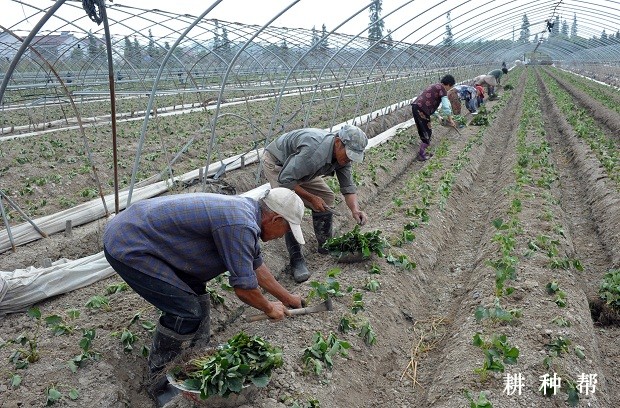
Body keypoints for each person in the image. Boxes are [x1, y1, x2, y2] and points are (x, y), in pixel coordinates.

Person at [102, 188, 305, 403]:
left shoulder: (246, 215)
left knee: (198, 302)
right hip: (129, 243)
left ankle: (196, 360)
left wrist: (287, 298)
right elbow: (244, 289)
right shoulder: (240, 225)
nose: (282, 236)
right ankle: (159, 383)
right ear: (276, 218)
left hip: (150, 238)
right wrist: (268, 308)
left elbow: (256, 267)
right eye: (286, 230)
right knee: (186, 312)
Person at [262, 125, 369, 282]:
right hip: (278, 164)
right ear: (338, 142)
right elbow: (286, 179)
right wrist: (311, 198)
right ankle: (296, 260)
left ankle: (325, 244)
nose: (349, 159)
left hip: (299, 168)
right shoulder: (314, 152)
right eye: (348, 154)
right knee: (287, 206)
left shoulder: (343, 158)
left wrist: (355, 210)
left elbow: (347, 186)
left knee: (325, 196)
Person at [411, 74, 456, 161]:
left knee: (424, 130)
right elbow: (446, 106)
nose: (449, 89)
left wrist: (438, 116)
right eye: (450, 87)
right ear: (448, 84)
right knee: (427, 131)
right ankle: (422, 155)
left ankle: (424, 152)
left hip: (417, 107)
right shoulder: (442, 89)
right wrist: (450, 120)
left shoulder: (435, 86)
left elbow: (429, 102)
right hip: (421, 109)